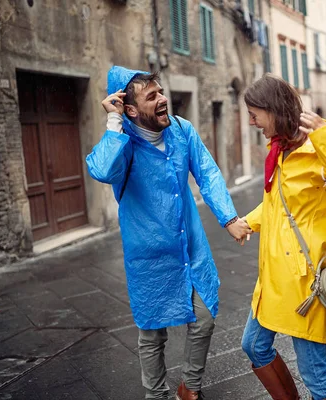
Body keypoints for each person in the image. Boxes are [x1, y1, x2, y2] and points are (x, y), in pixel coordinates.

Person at [86, 65, 252, 400]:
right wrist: (114, 122)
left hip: (191, 247)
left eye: (160, 92)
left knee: (204, 318)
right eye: (152, 96)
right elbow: (101, 169)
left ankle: (190, 387)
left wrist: (228, 217)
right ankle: (156, 394)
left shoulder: (181, 130)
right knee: (152, 335)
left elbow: (208, 172)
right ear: (131, 109)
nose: (163, 100)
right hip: (149, 256)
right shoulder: (122, 144)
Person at [240, 74, 326, 400]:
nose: (252, 122)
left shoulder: (318, 150)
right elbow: (277, 204)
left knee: (314, 372)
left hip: (301, 281)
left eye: (255, 114)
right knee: (253, 345)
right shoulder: (280, 149)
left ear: (273, 110)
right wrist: (247, 222)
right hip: (273, 276)